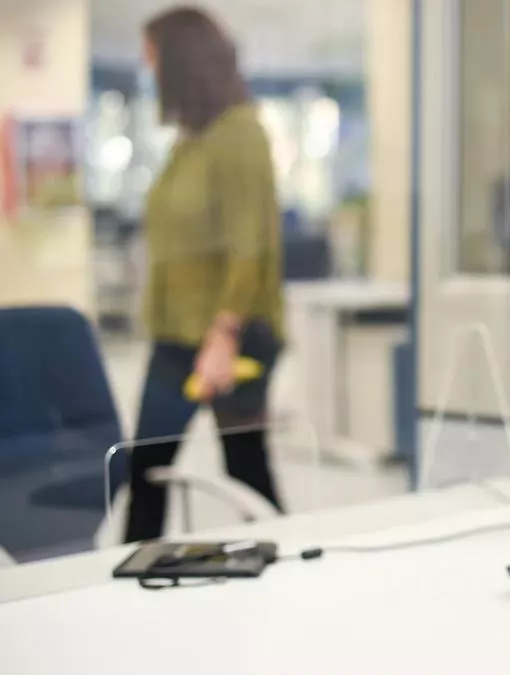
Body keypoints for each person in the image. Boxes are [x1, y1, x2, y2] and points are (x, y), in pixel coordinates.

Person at [124, 7, 285, 543]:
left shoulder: (240, 133)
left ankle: (288, 562)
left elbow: (250, 243)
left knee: (245, 468)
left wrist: (224, 333)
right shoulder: (189, 141)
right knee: (146, 469)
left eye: (152, 59)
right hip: (175, 337)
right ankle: (133, 572)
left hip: (231, 335)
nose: (148, 72)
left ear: (180, 62)